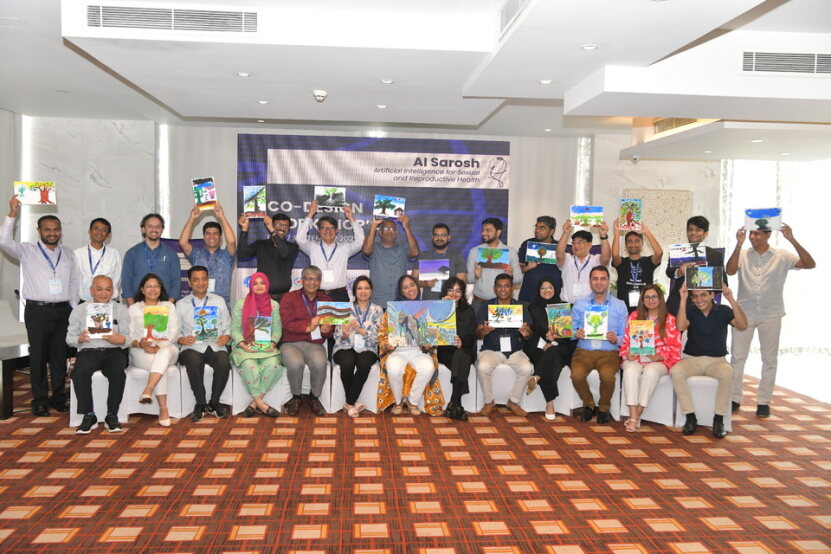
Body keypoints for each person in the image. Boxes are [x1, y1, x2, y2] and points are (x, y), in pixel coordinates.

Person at [1, 195, 80, 416]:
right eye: (47, 229)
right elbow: (4, 242)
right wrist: (12, 214)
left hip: (63, 311)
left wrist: (73, 307)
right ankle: (39, 400)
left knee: (58, 357)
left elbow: (74, 281)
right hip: (38, 311)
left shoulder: (68, 254)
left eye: (56, 229)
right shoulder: (26, 250)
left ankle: (57, 397)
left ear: (60, 231)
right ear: (39, 230)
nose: (52, 233)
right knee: (38, 356)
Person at [726, 223, 815, 417]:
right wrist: (738, 245)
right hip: (744, 312)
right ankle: (734, 398)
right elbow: (730, 271)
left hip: (771, 314)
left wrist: (792, 239)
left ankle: (763, 402)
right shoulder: (742, 253)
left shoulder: (782, 256)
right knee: (737, 357)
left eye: (757, 234)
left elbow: (810, 264)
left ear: (767, 235)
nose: (752, 237)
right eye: (751, 233)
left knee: (769, 360)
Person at [672, 284, 747, 438]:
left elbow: (742, 325)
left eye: (704, 295)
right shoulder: (690, 311)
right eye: (696, 296)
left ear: (712, 295)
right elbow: (680, 326)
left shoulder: (723, 311)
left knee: (728, 373)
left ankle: (719, 419)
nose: (700, 300)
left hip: (717, 361)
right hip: (692, 360)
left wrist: (730, 298)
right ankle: (690, 416)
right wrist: (683, 298)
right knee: (676, 371)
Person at [66, 276, 130, 433]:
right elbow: (69, 338)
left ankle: (112, 415)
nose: (104, 293)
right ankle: (89, 415)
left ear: (113, 292)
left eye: (108, 289)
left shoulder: (120, 309)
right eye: (99, 289)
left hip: (113, 351)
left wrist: (119, 339)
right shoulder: (79, 310)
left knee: (118, 373)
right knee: (80, 372)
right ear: (91, 290)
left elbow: (128, 338)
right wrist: (79, 339)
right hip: (89, 350)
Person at [619, 285, 682, 432]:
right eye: (647, 297)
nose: (651, 300)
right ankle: (634, 415)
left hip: (659, 361)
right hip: (637, 357)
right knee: (629, 371)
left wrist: (660, 356)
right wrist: (628, 353)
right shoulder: (634, 316)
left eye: (654, 296)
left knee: (651, 372)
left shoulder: (670, 320)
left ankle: (636, 414)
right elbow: (626, 342)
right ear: (642, 300)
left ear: (660, 299)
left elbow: (675, 347)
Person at [570, 266, 628, 424]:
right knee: (576, 375)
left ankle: (603, 408)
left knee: (608, 377)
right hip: (584, 351)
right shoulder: (580, 304)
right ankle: (588, 404)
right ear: (590, 281)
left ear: (609, 281)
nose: (599, 282)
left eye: (603, 278)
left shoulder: (619, 305)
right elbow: (569, 328)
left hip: (608, 352)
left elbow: (626, 334)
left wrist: (616, 339)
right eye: (595, 279)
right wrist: (576, 333)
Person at [176, 265, 233, 421]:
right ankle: (200, 404)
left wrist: (227, 337)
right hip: (191, 347)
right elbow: (175, 331)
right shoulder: (181, 304)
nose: (200, 283)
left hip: (215, 344)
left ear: (208, 281)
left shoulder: (219, 301)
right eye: (196, 280)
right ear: (189, 283)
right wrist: (181, 339)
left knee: (223, 362)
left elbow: (228, 326)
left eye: (204, 279)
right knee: (194, 362)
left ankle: (214, 403)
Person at [475, 273, 533, 417]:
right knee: (483, 366)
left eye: (506, 286)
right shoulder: (486, 306)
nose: (503, 289)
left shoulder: (521, 307)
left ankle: (513, 401)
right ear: (494, 288)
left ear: (511, 288)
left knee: (527, 368)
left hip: (514, 349)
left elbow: (529, 334)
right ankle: (489, 402)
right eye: (499, 286)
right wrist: (483, 331)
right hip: (491, 349)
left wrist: (526, 333)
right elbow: (477, 334)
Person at [279, 265, 334, 416]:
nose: (312, 282)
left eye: (316, 279)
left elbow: (331, 332)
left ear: (320, 282)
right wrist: (307, 326)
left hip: (315, 344)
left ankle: (314, 398)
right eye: (309, 278)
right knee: (296, 363)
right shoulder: (289, 298)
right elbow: (286, 324)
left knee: (320, 363)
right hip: (290, 343)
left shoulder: (327, 301)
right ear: (302, 280)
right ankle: (296, 398)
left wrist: (327, 330)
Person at [380, 275, 437, 415]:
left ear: (417, 286)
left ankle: (413, 402)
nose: (410, 289)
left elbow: (433, 334)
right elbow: (382, 335)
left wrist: (430, 343)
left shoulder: (426, 308)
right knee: (393, 368)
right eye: (405, 287)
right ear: (401, 291)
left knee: (428, 367)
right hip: (397, 351)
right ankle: (398, 402)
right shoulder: (393, 309)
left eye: (412, 285)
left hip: (418, 351)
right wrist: (386, 344)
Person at [128, 273, 180, 426]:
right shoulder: (134, 308)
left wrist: (159, 346)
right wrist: (140, 344)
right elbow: (129, 335)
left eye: (156, 286)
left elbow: (174, 332)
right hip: (141, 351)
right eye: (148, 286)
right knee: (159, 365)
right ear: (142, 290)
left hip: (168, 348)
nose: (153, 289)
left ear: (161, 288)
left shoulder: (169, 306)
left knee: (162, 354)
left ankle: (149, 388)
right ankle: (163, 408)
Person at [230, 272, 283, 417]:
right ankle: (262, 405)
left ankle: (254, 403)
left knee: (273, 365)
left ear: (267, 285)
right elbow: (234, 329)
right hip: (245, 347)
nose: (259, 286)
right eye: (255, 283)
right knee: (249, 366)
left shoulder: (274, 305)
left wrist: (273, 342)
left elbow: (277, 329)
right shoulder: (241, 304)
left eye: (262, 283)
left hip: (266, 348)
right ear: (250, 286)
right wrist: (242, 343)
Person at [332, 276, 382, 417]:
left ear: (371, 291)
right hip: (344, 346)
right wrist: (344, 334)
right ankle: (354, 403)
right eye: (359, 288)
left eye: (366, 288)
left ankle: (348, 403)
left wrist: (360, 331)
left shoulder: (377, 310)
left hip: (368, 348)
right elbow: (336, 337)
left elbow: (378, 337)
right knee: (347, 363)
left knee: (364, 364)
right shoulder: (345, 308)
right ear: (354, 291)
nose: (363, 291)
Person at [296, 201, 365, 301]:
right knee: (316, 318)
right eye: (324, 228)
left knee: (341, 317)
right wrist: (310, 214)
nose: (328, 231)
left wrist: (351, 218)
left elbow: (361, 241)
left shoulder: (345, 248)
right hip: (318, 295)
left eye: (331, 228)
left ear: (336, 230)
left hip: (340, 295)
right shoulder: (312, 247)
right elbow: (299, 239)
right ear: (318, 231)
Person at [523, 278, 571, 421]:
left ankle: (537, 377)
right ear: (539, 291)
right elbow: (537, 327)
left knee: (552, 353)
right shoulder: (533, 307)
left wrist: (554, 342)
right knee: (548, 358)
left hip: (560, 347)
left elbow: (566, 335)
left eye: (550, 287)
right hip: (538, 345)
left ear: (555, 289)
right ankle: (550, 403)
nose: (546, 291)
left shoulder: (563, 306)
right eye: (543, 288)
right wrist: (547, 340)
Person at [665, 215, 726, 316]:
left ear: (705, 234)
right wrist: (679, 271)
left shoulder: (715, 255)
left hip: (703, 305)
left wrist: (703, 279)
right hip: (678, 303)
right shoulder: (678, 251)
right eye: (690, 229)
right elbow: (669, 272)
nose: (693, 233)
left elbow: (723, 283)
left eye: (698, 230)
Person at [179, 203, 236, 308]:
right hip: (200, 304)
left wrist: (222, 217)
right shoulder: (196, 254)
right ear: (204, 236)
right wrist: (192, 218)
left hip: (222, 305)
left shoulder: (227, 255)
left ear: (220, 236)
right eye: (208, 233)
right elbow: (183, 242)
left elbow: (232, 241)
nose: (212, 236)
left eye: (215, 233)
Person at [436, 277, 476, 421]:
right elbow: (433, 332)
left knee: (462, 355)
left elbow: (472, 336)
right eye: (451, 289)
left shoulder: (469, 310)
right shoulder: (438, 308)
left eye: (458, 290)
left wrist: (462, 342)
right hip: (445, 351)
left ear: (463, 293)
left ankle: (454, 402)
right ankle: (456, 404)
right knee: (461, 359)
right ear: (445, 291)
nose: (454, 293)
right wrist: (444, 308)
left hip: (464, 348)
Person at [237, 213, 299, 301]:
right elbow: (241, 254)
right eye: (278, 225)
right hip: (263, 296)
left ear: (289, 229)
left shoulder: (293, 247)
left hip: (284, 297)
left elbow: (284, 253)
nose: (282, 228)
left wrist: (273, 231)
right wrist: (244, 230)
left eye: (286, 226)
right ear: (271, 225)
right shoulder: (260, 244)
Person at [122, 213, 181, 305]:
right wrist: (133, 307)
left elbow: (176, 282)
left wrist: (168, 306)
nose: (154, 229)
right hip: (138, 305)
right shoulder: (132, 253)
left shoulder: (171, 254)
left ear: (162, 230)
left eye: (158, 227)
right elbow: (126, 282)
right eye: (150, 226)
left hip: (164, 305)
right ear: (143, 229)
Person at [362, 215, 419, 308]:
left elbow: (415, 252)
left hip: (399, 303)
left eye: (392, 229)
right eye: (385, 228)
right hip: (377, 303)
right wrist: (374, 225)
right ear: (380, 233)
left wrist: (406, 226)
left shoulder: (403, 248)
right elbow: (366, 251)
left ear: (396, 233)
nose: (389, 231)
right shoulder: (374, 247)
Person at [467, 217, 522, 312]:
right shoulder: (474, 251)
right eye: (483, 230)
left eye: (488, 230)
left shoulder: (511, 252)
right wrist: (476, 276)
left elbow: (519, 280)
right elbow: (468, 279)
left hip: (502, 304)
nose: (483, 233)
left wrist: (511, 276)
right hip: (479, 303)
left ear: (498, 232)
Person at [611, 220, 663, 312]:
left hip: (645, 308)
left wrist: (646, 232)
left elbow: (659, 253)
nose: (633, 244)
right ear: (625, 245)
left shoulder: (648, 262)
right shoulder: (621, 262)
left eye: (636, 241)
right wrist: (617, 231)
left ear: (642, 244)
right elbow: (615, 255)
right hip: (623, 309)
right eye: (629, 241)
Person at [555, 220, 611, 304]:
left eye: (580, 242)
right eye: (574, 243)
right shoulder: (568, 259)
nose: (576, 246)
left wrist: (603, 236)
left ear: (590, 245)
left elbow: (606, 257)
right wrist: (566, 233)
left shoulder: (595, 260)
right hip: (566, 306)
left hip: (588, 307)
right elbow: (559, 254)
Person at [412, 223, 467, 300]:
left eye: (443, 235)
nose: (439, 238)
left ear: (449, 237)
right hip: (428, 302)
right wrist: (424, 283)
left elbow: (462, 284)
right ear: (432, 237)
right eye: (436, 235)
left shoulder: (457, 257)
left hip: (450, 302)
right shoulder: (423, 256)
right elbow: (413, 280)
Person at [73, 218, 123, 302]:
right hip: (84, 301)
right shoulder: (77, 254)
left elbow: (117, 280)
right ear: (89, 231)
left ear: (108, 235)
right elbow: (74, 280)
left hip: (108, 301)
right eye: (96, 229)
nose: (99, 232)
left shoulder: (114, 253)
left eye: (104, 230)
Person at [518, 216, 563, 303]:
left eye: (542, 228)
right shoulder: (527, 244)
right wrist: (528, 267)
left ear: (551, 231)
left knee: (556, 317)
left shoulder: (560, 247)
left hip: (554, 297)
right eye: (536, 227)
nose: (537, 230)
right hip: (529, 296)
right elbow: (518, 268)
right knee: (527, 316)